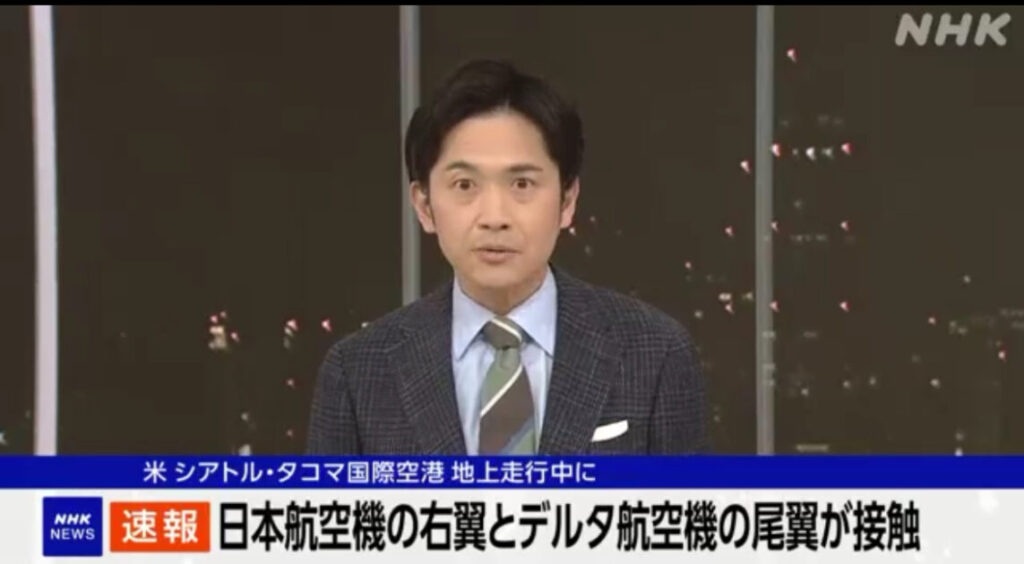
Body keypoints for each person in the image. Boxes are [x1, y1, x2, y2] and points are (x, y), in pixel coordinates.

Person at [307, 59, 709, 455]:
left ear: (567, 200)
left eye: (522, 184)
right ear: (424, 205)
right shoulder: (357, 372)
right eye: (465, 185)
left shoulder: (655, 354)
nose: (495, 217)